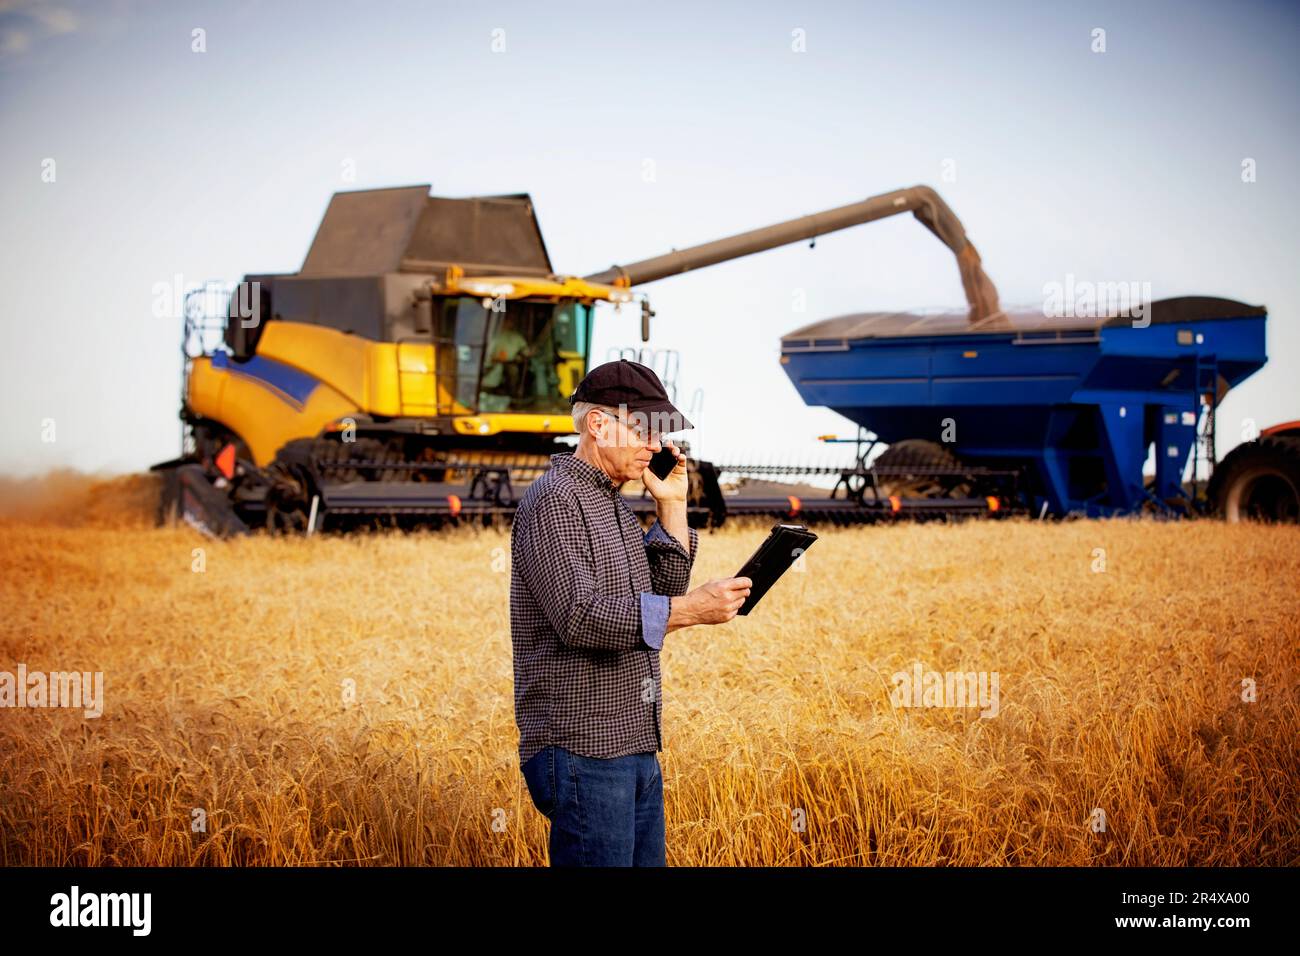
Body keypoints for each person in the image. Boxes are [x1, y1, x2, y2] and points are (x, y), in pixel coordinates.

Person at [509, 359, 752, 866]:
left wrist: (672, 506)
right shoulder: (556, 500)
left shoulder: (613, 504)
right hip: (582, 748)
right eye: (644, 428)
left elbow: (659, 592)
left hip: (634, 739)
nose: (656, 445)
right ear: (598, 425)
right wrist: (691, 609)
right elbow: (580, 616)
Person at [479, 312, 531, 411]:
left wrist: (521, 357)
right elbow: (487, 354)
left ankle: (512, 399)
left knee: (513, 374)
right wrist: (494, 360)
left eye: (510, 321)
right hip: (493, 365)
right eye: (506, 321)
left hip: (511, 364)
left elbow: (526, 352)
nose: (508, 323)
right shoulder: (494, 336)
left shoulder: (517, 337)